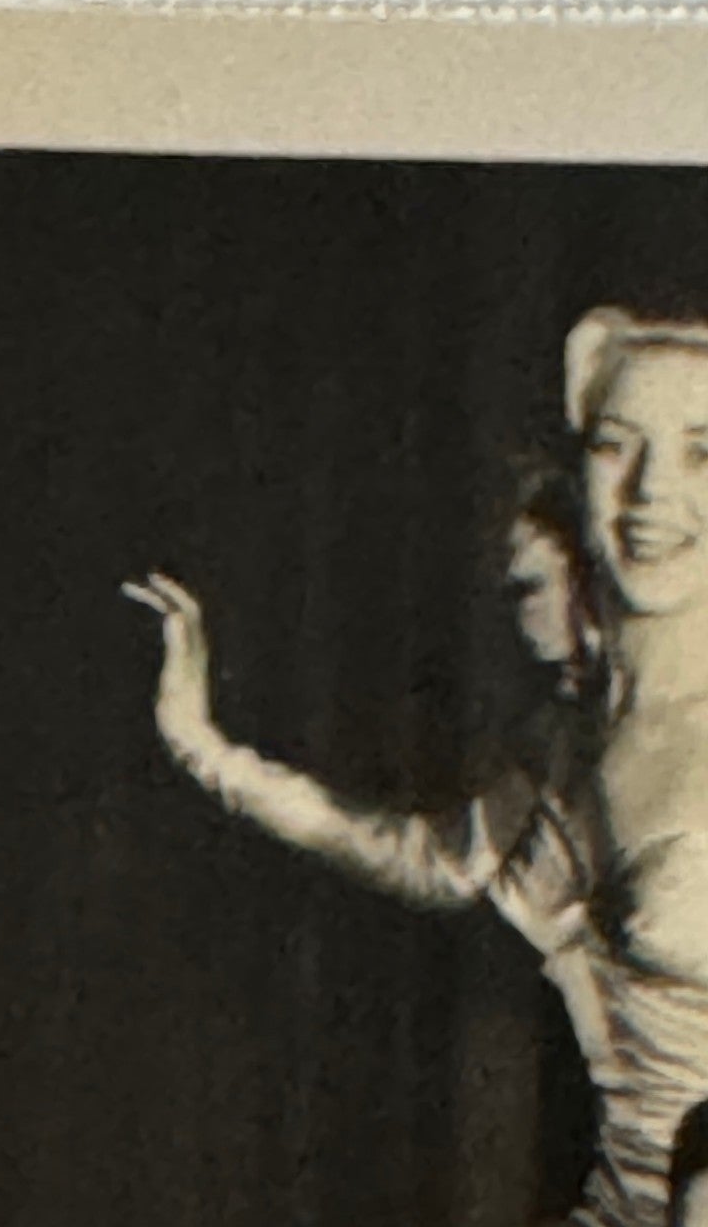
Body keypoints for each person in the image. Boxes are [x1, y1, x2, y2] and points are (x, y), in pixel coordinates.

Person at [125, 306, 708, 1227]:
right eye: (613, 446)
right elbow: (424, 857)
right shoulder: (575, 744)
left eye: (702, 452)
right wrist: (207, 751)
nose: (648, 493)